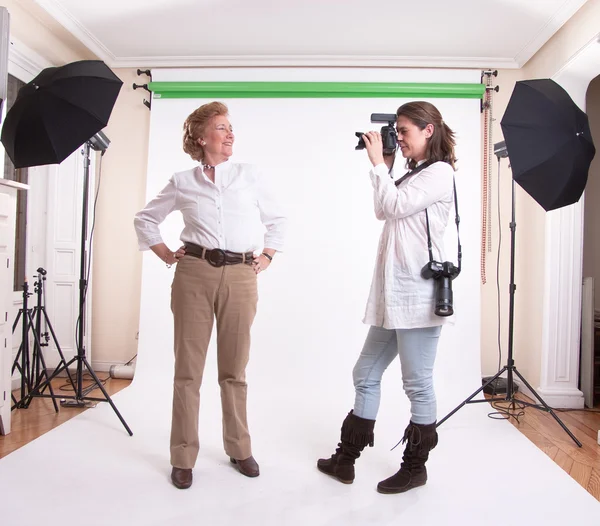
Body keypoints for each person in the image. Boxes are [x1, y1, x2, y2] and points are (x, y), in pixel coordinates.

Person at [134, 101, 286, 489]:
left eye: (230, 127)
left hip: (241, 274)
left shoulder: (248, 175)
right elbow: (145, 219)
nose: (230, 133)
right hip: (194, 274)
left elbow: (278, 219)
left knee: (234, 370)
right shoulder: (183, 181)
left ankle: (239, 448)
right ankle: (182, 456)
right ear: (201, 138)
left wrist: (267, 255)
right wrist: (166, 253)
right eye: (221, 127)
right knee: (187, 371)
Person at [317, 101, 457, 494]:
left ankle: (415, 468)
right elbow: (384, 209)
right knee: (365, 374)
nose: (400, 137)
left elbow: (393, 206)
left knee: (417, 384)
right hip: (393, 297)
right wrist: (387, 165)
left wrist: (379, 162)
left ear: (428, 130)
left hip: (417, 296)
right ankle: (346, 461)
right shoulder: (412, 174)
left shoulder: (440, 173)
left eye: (404, 131)